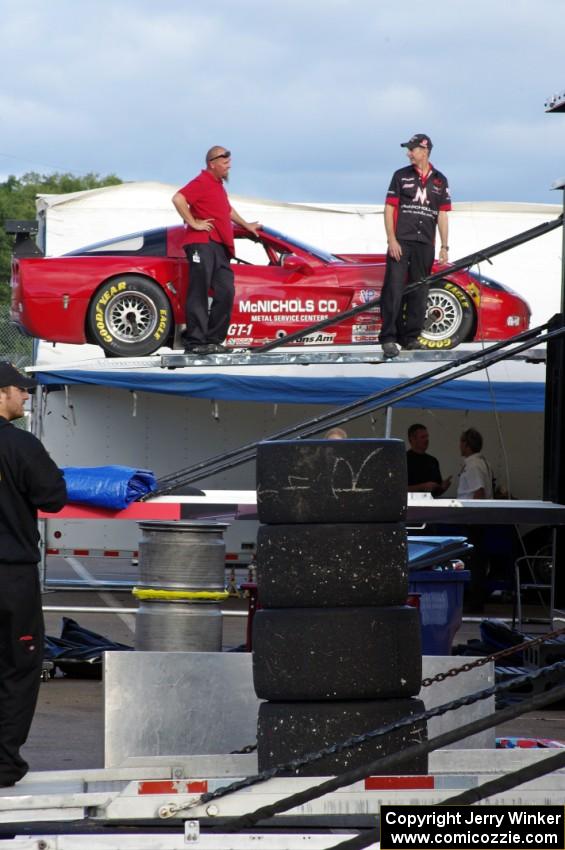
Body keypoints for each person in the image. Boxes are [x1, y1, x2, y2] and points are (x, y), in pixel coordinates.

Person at [0, 362, 67, 787]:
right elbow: (53, 497)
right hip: (11, 579)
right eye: (21, 390)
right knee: (18, 667)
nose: (27, 396)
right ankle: (4, 764)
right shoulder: (21, 446)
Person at [172, 147, 261, 356]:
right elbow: (178, 198)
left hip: (219, 246)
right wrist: (193, 222)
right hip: (202, 242)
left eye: (229, 161)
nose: (229, 165)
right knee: (199, 291)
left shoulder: (218, 186)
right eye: (225, 161)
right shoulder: (202, 181)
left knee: (226, 290)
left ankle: (212, 339)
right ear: (212, 163)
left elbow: (227, 210)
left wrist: (246, 225)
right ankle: (195, 341)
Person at [379, 133, 451, 359]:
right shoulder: (400, 176)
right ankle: (389, 338)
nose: (408, 153)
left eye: (412, 149)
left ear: (425, 150)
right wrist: (391, 239)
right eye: (408, 149)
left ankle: (411, 337)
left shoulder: (440, 180)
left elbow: (443, 214)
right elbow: (389, 208)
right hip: (401, 241)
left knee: (420, 290)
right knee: (393, 288)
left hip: (425, 243)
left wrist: (444, 246)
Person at [406, 423, 451, 497]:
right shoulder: (404, 461)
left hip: (429, 506)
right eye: (423, 437)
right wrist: (422, 486)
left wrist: (443, 487)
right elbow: (398, 489)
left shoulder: (433, 461)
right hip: (410, 506)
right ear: (412, 439)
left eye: (427, 437)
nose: (427, 440)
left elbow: (436, 493)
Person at [457, 427, 493, 499]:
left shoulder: (473, 465)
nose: (459, 445)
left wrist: (473, 510)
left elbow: (479, 493)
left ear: (466, 444)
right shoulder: (482, 462)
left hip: (470, 509)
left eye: (461, 442)